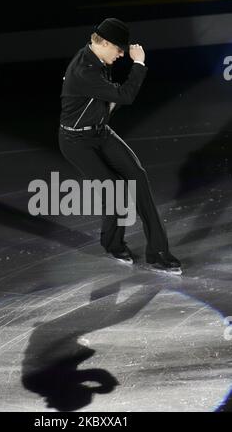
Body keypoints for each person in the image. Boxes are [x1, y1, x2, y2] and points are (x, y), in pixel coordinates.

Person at [59, 18, 181, 273]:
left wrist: (105, 109)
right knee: (113, 189)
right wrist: (138, 63)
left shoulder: (99, 58)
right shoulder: (84, 70)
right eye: (119, 49)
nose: (122, 53)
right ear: (102, 42)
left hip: (100, 132)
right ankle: (113, 244)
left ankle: (158, 252)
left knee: (137, 175)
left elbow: (110, 97)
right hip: (76, 141)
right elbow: (125, 96)